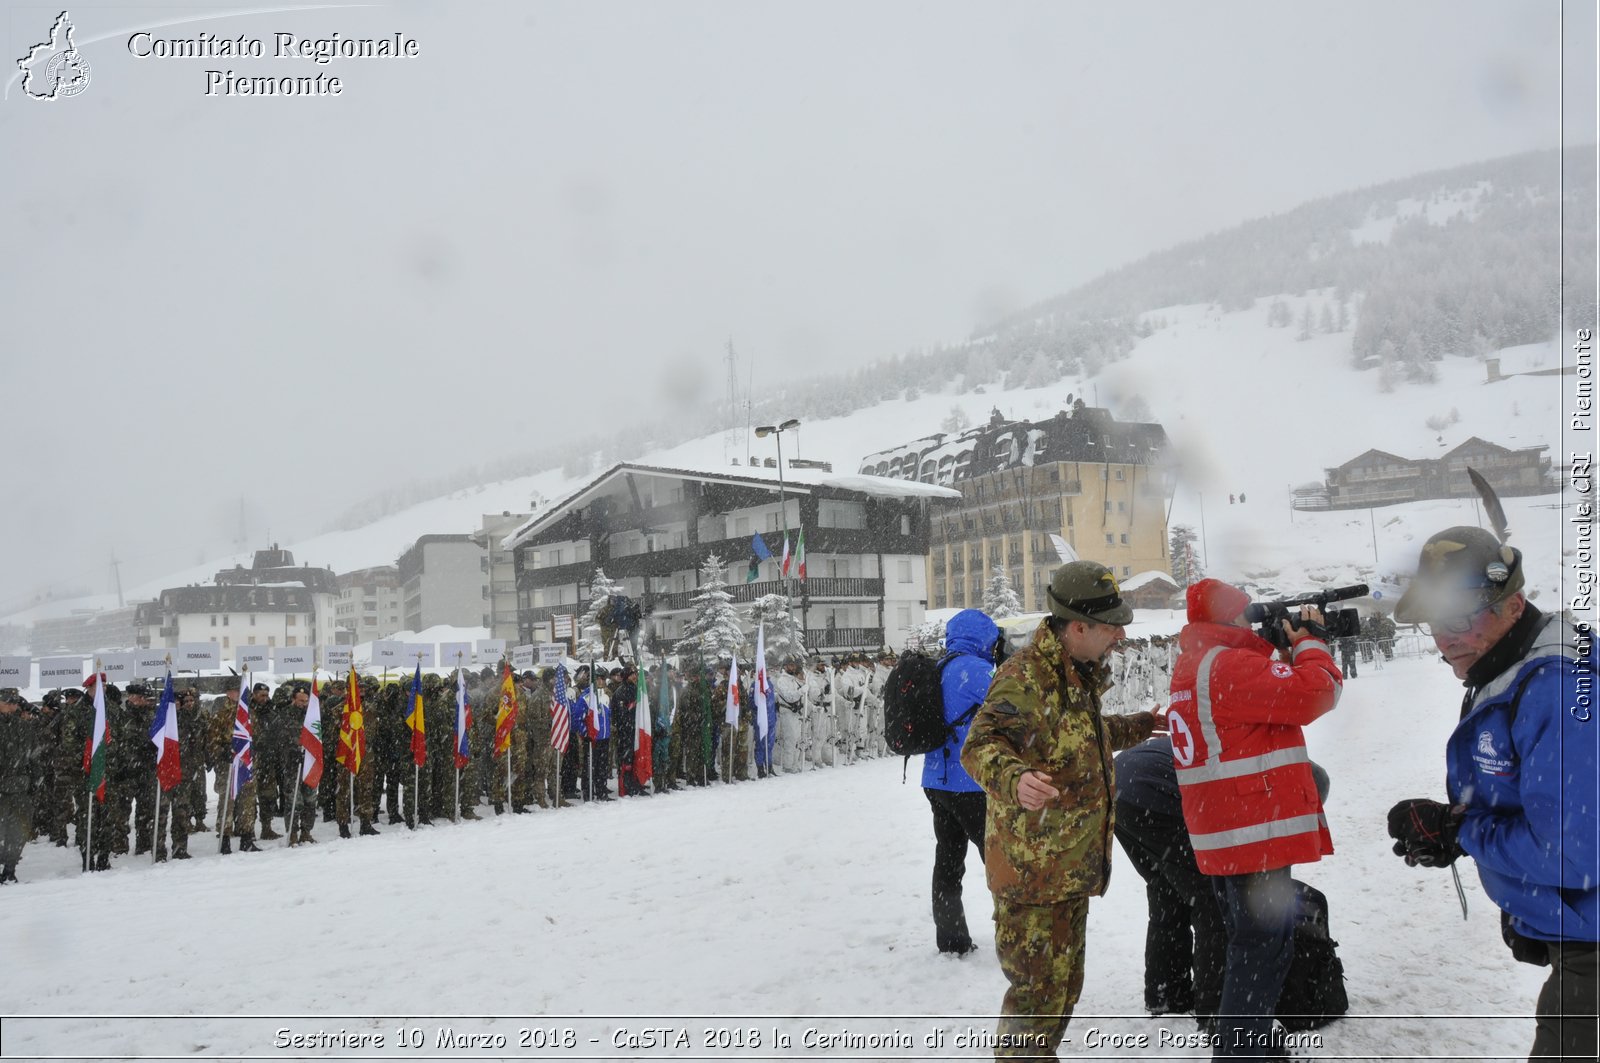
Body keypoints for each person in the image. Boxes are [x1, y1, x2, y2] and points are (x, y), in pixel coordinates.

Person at [1386, 526, 1597, 1061]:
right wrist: (1458, 826)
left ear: (1513, 603)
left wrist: (1464, 831)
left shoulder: (1557, 687)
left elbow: (1575, 853)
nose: (1445, 636)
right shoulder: (1509, 663)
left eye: (1460, 617)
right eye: (1435, 620)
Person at [961, 561, 1159, 1060]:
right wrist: (1015, 779)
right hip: (1032, 877)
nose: (1119, 635)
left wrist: (1140, 725)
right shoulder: (1025, 676)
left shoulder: (1076, 673)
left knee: (1060, 994)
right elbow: (978, 746)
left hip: (1066, 869)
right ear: (1078, 627)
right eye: (1112, 626)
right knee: (1034, 1002)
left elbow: (1080, 742)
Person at [1167, 578, 1342, 1059]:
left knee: (1252, 943)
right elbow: (1316, 693)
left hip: (1230, 830)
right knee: (1262, 948)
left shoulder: (1200, 662)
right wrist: (1310, 643)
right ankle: (1241, 1053)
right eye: (1246, 615)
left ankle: (1252, 1044)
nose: (1252, 623)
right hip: (1252, 831)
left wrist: (1282, 653)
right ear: (1228, 619)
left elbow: (1260, 708)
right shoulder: (1226, 665)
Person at [1115, 736, 1333, 1028]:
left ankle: (1165, 994)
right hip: (1154, 794)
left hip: (1120, 789)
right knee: (1212, 901)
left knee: (1166, 893)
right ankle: (1214, 1009)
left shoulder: (1256, 763)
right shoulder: (1254, 780)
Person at [923, 609, 1000, 955]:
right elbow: (1014, 707)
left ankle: (951, 939)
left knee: (949, 860)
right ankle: (1015, 932)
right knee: (1000, 859)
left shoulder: (937, 668)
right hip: (970, 781)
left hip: (936, 779)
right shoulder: (977, 669)